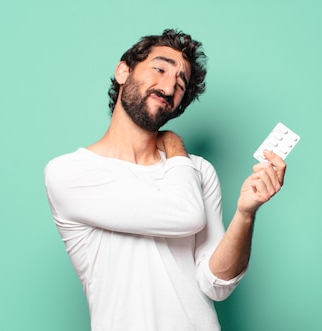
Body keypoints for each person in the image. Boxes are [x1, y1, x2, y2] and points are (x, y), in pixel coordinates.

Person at [44, 29, 287, 331]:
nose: (170, 85)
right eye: (160, 69)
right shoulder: (71, 172)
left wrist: (245, 213)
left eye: (180, 84)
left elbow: (215, 284)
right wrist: (174, 144)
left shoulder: (197, 171)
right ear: (123, 71)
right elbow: (185, 214)